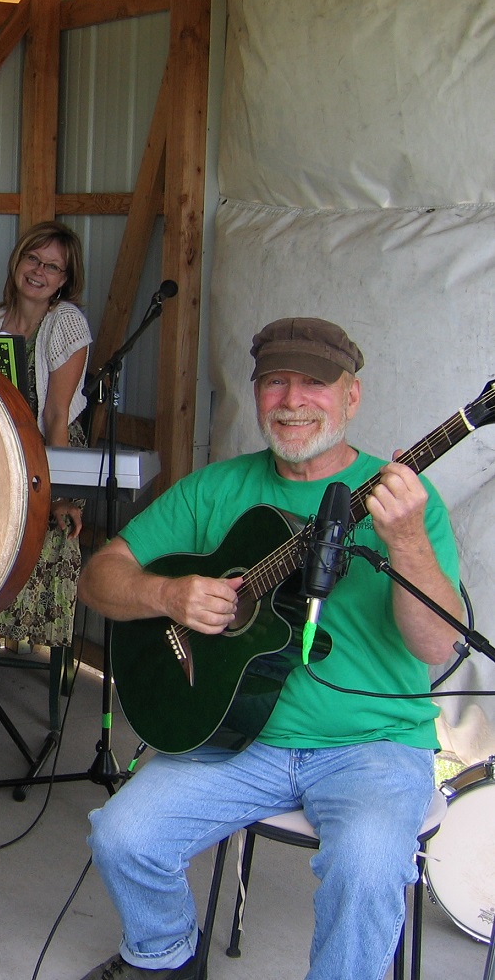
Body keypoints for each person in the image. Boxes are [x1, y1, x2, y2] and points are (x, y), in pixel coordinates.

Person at [75, 316, 462, 980]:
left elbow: (435, 644)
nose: (291, 401)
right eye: (275, 383)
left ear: (351, 395)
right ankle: (165, 955)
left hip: (372, 744)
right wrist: (167, 596)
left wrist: (407, 543)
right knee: (122, 836)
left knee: (367, 867)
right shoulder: (216, 489)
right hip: (240, 741)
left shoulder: (405, 501)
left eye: (314, 384)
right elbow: (98, 577)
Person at [0, 220, 92, 659]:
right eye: (33, 259)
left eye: (52, 266)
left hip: (48, 451)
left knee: (41, 526)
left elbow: (57, 414)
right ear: (18, 261)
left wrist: (60, 494)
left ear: (64, 279)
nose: (39, 271)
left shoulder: (65, 323)